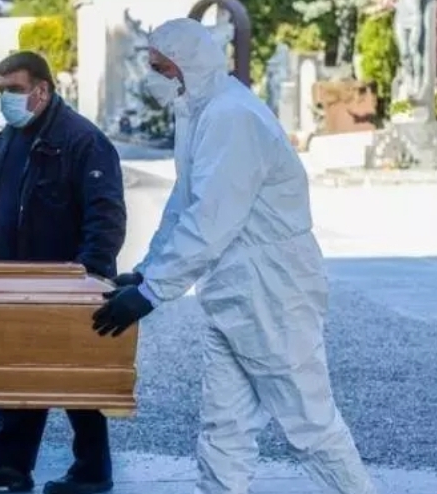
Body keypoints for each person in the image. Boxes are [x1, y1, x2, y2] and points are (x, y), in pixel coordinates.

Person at [90, 18, 378, 494]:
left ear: (187, 66)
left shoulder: (231, 116)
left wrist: (153, 292)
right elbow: (184, 202)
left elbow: (212, 218)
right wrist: (146, 272)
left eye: (161, 68)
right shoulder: (199, 111)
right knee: (225, 423)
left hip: (272, 289)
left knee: (308, 421)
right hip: (232, 289)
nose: (153, 78)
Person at [0, 51, 127, 494]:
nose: (6, 99)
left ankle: (92, 472)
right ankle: (8, 466)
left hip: (66, 284)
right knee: (16, 373)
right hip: (11, 279)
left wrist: (87, 280)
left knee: (78, 380)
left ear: (42, 90)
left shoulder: (82, 140)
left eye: (14, 89)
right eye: (1, 90)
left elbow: (106, 218)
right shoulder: (9, 137)